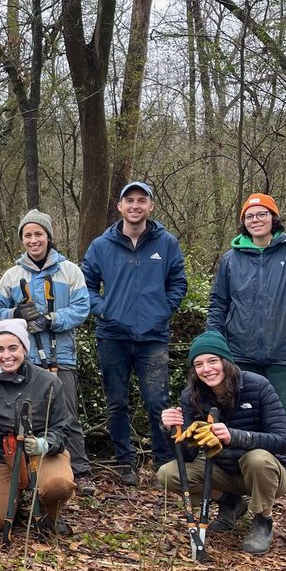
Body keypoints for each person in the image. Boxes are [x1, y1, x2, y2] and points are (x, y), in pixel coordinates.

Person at [206, 193, 286, 499]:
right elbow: (218, 305)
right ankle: (239, 479)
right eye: (250, 216)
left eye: (262, 214)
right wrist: (214, 345)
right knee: (238, 415)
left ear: (273, 218)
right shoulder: (231, 259)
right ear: (243, 223)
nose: (256, 220)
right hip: (240, 353)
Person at [81, 182, 187, 485]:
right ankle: (125, 461)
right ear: (120, 206)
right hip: (112, 336)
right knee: (117, 402)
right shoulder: (102, 245)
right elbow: (85, 284)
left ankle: (163, 463)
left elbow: (178, 282)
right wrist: (103, 309)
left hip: (153, 337)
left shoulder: (166, 243)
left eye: (142, 201)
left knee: (158, 402)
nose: (135, 206)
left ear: (150, 206)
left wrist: (163, 310)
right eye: (130, 200)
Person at [158, 331, 286, 555]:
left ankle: (263, 520)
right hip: (223, 471)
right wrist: (170, 430)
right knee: (168, 473)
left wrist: (234, 436)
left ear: (225, 362)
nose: (207, 369)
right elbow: (188, 456)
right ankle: (230, 502)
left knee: (256, 459)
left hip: (268, 473)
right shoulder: (191, 396)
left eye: (213, 361)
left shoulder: (257, 385)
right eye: (199, 364)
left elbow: (283, 440)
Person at [0, 209, 95, 495]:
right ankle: (25, 469)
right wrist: (18, 314)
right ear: (22, 239)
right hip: (25, 359)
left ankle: (80, 470)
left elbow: (81, 308)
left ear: (48, 237)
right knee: (25, 413)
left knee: (68, 414)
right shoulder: (12, 276)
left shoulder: (70, 271)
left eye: (38, 234)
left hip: (60, 355)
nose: (33, 240)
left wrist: (51, 320)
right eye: (28, 235)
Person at [0, 319, 79, 537]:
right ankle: (12, 500)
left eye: (13, 348)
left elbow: (63, 427)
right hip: (2, 455)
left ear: (24, 349)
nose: (6, 355)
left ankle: (49, 512)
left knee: (59, 485)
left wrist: (44, 444)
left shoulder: (48, 382)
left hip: (43, 455)